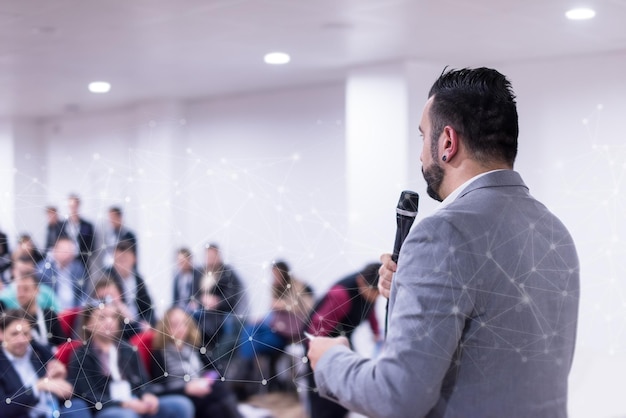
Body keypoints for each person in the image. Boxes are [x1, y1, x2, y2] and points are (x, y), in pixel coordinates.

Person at [307, 67, 581, 418]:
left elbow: (396, 397)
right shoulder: (554, 230)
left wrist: (330, 358)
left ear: (447, 143)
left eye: (423, 138)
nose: (421, 155)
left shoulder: (443, 233)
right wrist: (410, 289)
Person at [67, 303, 194, 418]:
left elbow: (144, 383)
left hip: (135, 400)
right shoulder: (81, 355)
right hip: (109, 408)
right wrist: (125, 404)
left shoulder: (128, 350)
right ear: (88, 324)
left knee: (182, 405)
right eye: (102, 317)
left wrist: (147, 396)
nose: (109, 322)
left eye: (113, 317)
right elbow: (87, 395)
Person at [304, 262, 381, 418]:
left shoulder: (370, 289)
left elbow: (370, 310)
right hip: (320, 341)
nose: (376, 297)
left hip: (341, 339)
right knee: (323, 397)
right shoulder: (341, 295)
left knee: (346, 386)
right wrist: (324, 357)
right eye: (374, 293)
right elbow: (316, 330)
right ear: (360, 282)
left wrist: (376, 332)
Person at [149, 307, 242, 418]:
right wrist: (186, 389)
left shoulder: (194, 346)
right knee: (220, 396)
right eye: (174, 324)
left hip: (204, 391)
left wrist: (206, 380)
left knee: (216, 406)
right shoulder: (160, 353)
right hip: (182, 395)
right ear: (165, 328)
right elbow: (159, 390)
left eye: (184, 323)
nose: (180, 328)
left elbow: (218, 370)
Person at [0, 309, 89, 418]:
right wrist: (36, 388)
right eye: (14, 334)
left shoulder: (40, 352)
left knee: (78, 406)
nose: (21, 339)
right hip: (23, 414)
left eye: (26, 334)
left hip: (52, 410)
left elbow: (71, 390)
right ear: (1, 334)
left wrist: (63, 377)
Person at [107, 239, 155, 327]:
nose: (121, 264)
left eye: (125, 260)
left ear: (134, 259)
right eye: (118, 260)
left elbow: (148, 307)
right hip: (120, 326)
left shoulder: (138, 278)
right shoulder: (107, 278)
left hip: (138, 324)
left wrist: (147, 322)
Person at [15, 273, 66, 348]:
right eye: (18, 290)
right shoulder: (13, 320)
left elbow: (63, 345)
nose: (21, 294)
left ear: (37, 291)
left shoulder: (49, 315)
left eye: (26, 289)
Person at [36, 236, 87, 310]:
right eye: (64, 250)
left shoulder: (78, 268)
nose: (67, 254)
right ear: (54, 251)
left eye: (70, 250)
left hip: (74, 311)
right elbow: (41, 295)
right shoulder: (43, 269)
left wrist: (80, 310)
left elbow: (82, 292)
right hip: (52, 311)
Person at [60, 194, 95, 270]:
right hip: (64, 263)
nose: (73, 208)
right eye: (70, 206)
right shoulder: (61, 225)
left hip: (82, 262)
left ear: (78, 206)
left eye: (74, 206)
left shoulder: (87, 226)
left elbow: (91, 247)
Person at [172, 248, 203, 312]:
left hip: (194, 309)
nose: (181, 264)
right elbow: (175, 299)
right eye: (179, 261)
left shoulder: (198, 275)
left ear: (189, 260)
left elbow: (201, 295)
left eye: (183, 261)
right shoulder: (177, 277)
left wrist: (197, 302)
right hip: (180, 309)